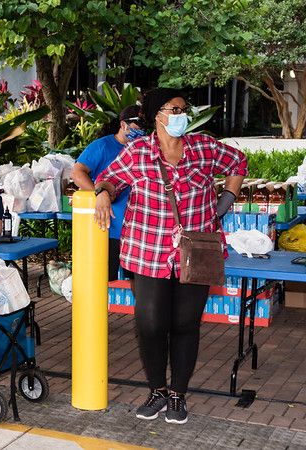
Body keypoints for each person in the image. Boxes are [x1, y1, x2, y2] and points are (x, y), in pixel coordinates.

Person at [93, 88, 246, 424]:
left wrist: (226, 200)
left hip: (197, 251)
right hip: (148, 251)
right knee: (149, 324)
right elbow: (110, 179)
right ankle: (156, 390)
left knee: (185, 324)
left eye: (184, 109)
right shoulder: (138, 152)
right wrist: (103, 194)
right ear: (156, 115)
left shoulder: (204, 148)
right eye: (174, 109)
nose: (182, 115)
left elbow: (238, 163)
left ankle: (177, 394)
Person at [71, 105, 145, 280]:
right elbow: (77, 172)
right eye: (137, 125)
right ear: (123, 124)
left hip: (138, 229)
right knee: (104, 279)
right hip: (109, 227)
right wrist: (99, 192)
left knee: (138, 281)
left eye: (144, 126)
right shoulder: (102, 146)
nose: (141, 130)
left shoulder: (144, 148)